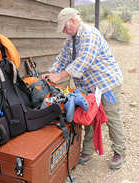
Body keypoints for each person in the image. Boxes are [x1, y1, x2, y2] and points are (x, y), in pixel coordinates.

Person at [41, 7, 126, 170]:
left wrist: (59, 77)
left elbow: (83, 61)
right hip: (88, 87)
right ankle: (88, 150)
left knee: (111, 117)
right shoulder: (70, 41)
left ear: (72, 21)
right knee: (89, 118)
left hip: (107, 84)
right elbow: (62, 59)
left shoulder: (89, 34)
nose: (65, 32)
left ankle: (120, 151)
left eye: (65, 27)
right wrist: (51, 73)